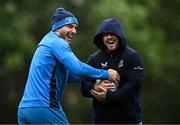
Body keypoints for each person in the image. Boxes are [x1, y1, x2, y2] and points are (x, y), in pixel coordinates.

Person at [17, 8, 120, 124]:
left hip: (24, 109)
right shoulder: (57, 42)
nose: (74, 31)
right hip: (44, 107)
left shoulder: (46, 41)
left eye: (75, 27)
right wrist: (106, 74)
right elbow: (77, 68)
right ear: (58, 27)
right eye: (70, 26)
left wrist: (96, 77)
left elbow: (70, 75)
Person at [81, 18, 144, 124]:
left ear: (119, 35)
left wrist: (110, 96)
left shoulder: (133, 56)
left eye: (112, 33)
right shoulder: (94, 59)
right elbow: (84, 87)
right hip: (102, 120)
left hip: (129, 119)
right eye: (105, 34)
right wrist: (96, 87)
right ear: (101, 38)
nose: (109, 37)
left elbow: (135, 84)